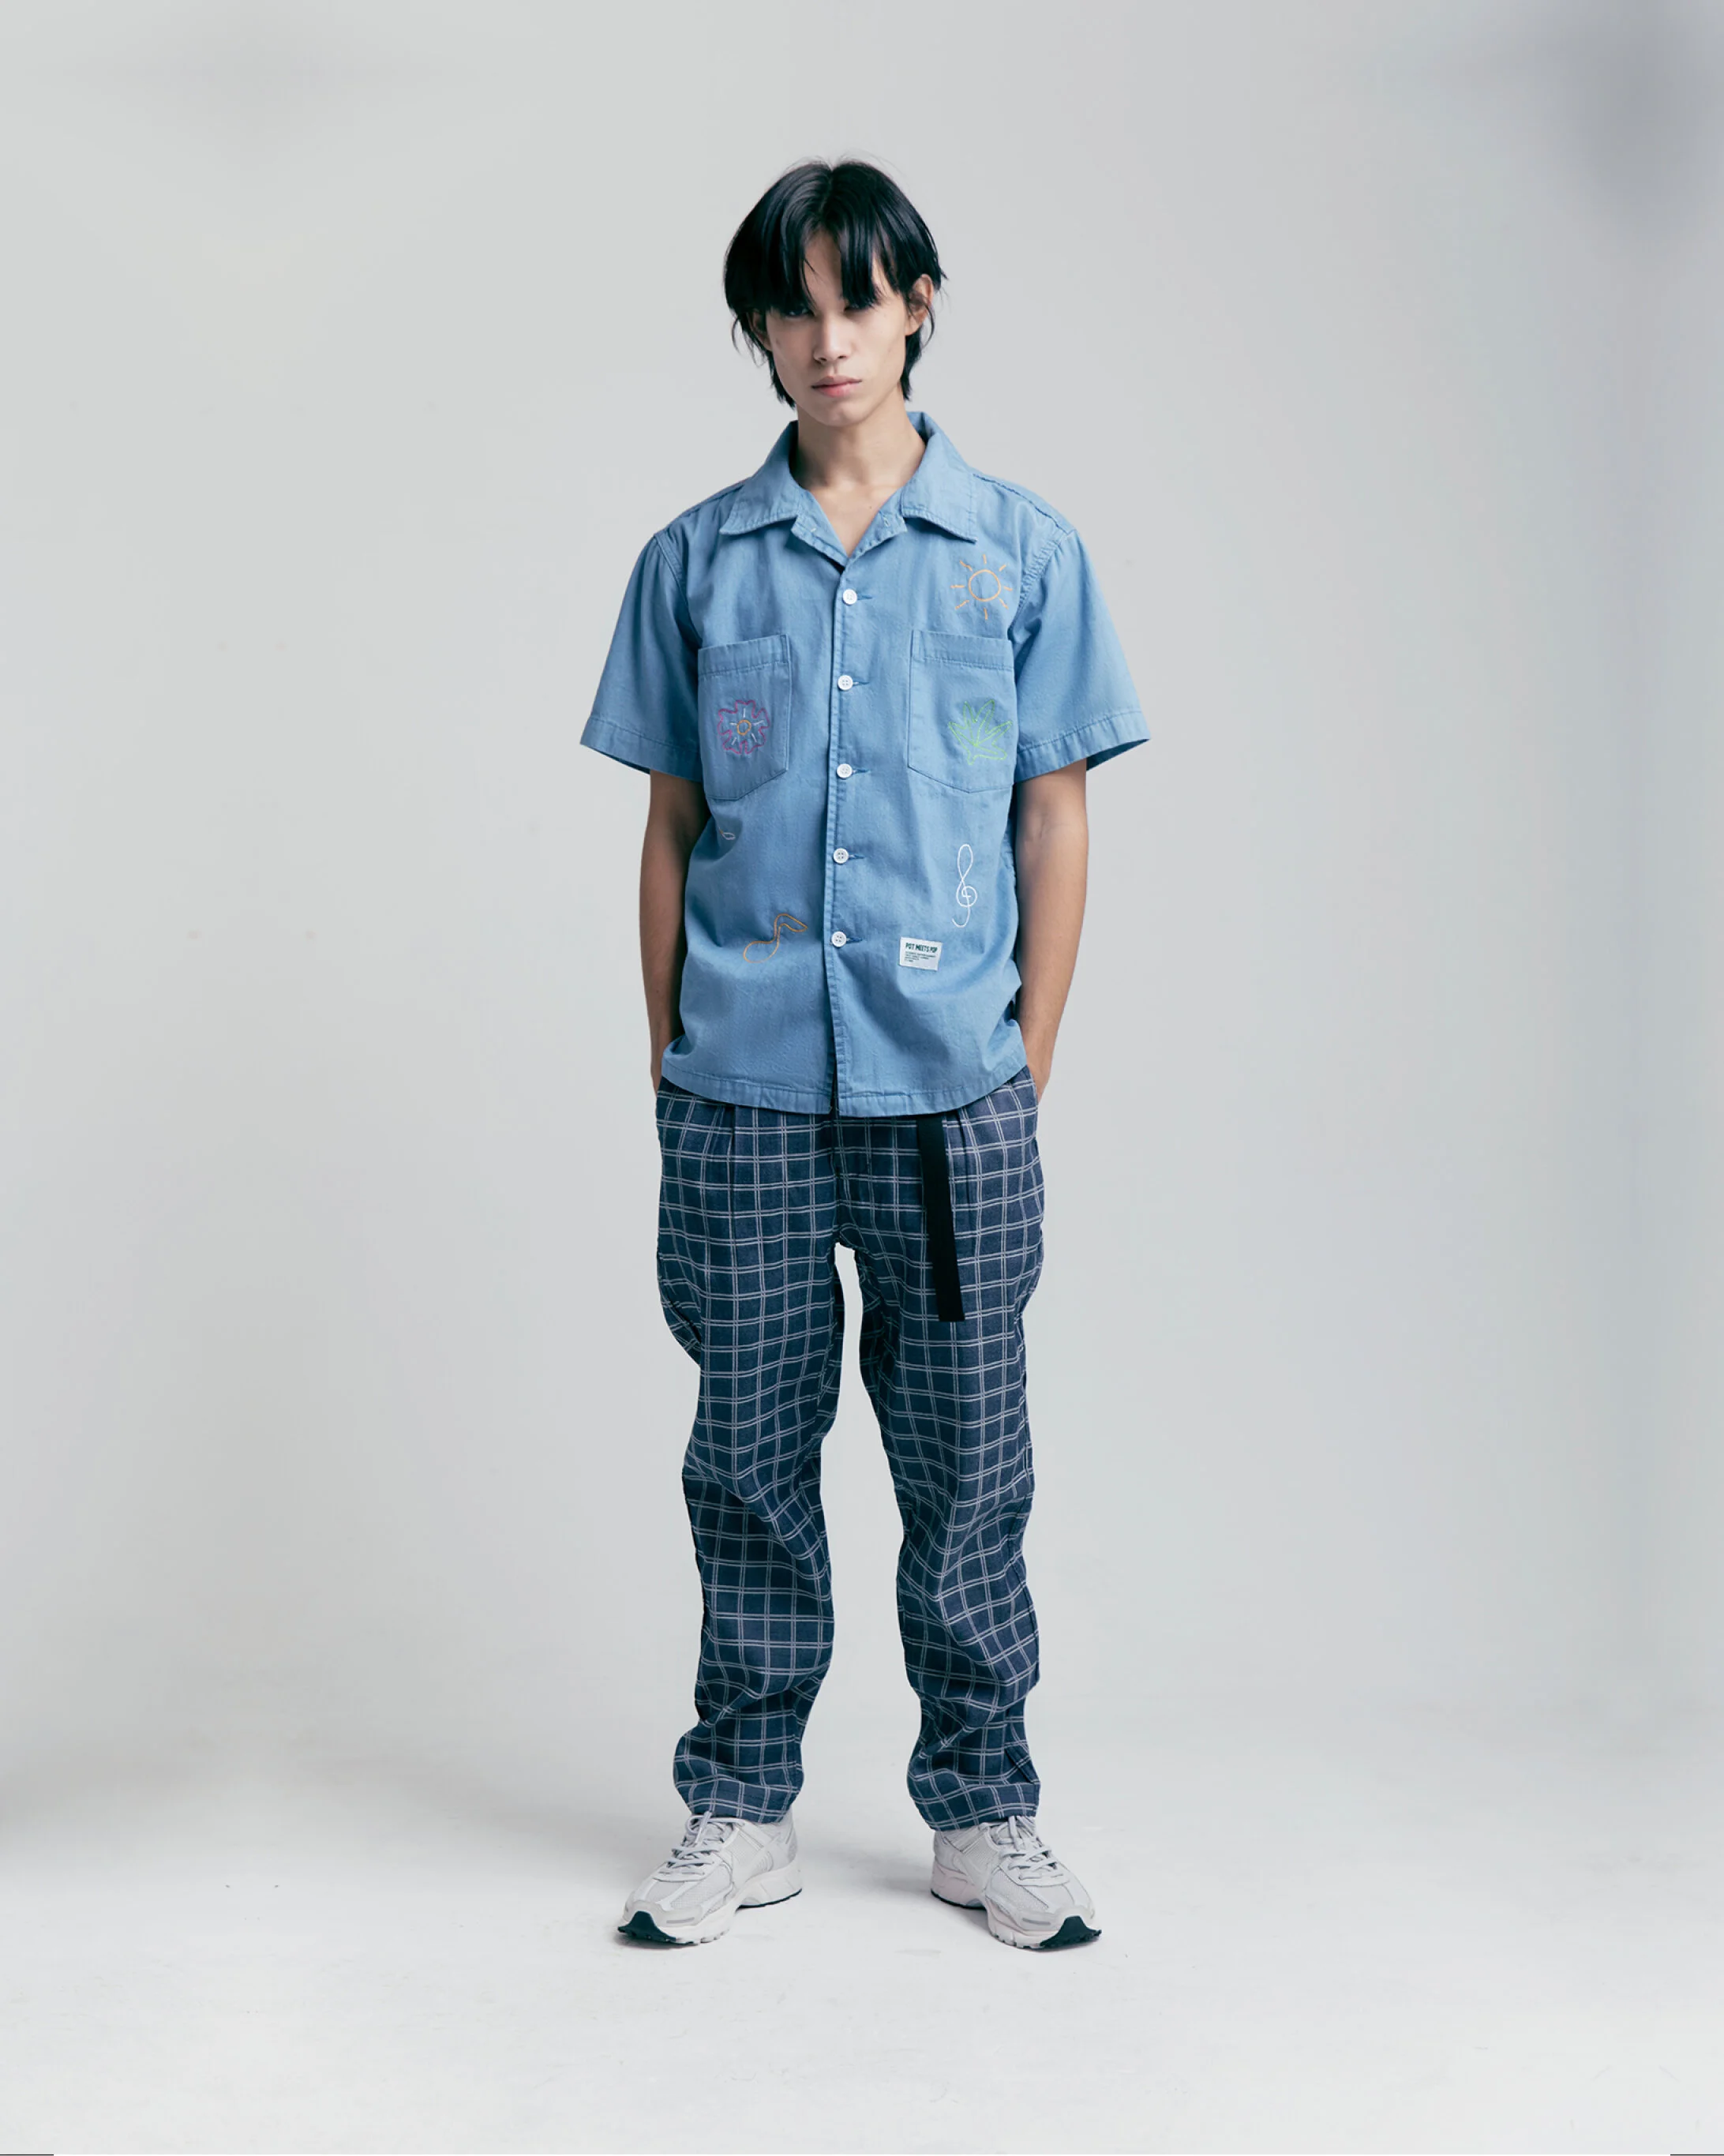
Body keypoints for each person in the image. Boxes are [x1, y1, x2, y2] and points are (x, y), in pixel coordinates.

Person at [580, 158, 1147, 1951]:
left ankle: (984, 1812)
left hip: (951, 1099)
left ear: (919, 308)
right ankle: (740, 1808)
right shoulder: (694, 563)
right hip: (741, 1096)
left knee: (970, 1470)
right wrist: (671, 1061)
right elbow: (671, 828)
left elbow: (1053, 818)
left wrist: (1022, 1064)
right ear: (760, 331)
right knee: (748, 1464)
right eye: (794, 306)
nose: (829, 338)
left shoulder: (1023, 555)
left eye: (860, 299)